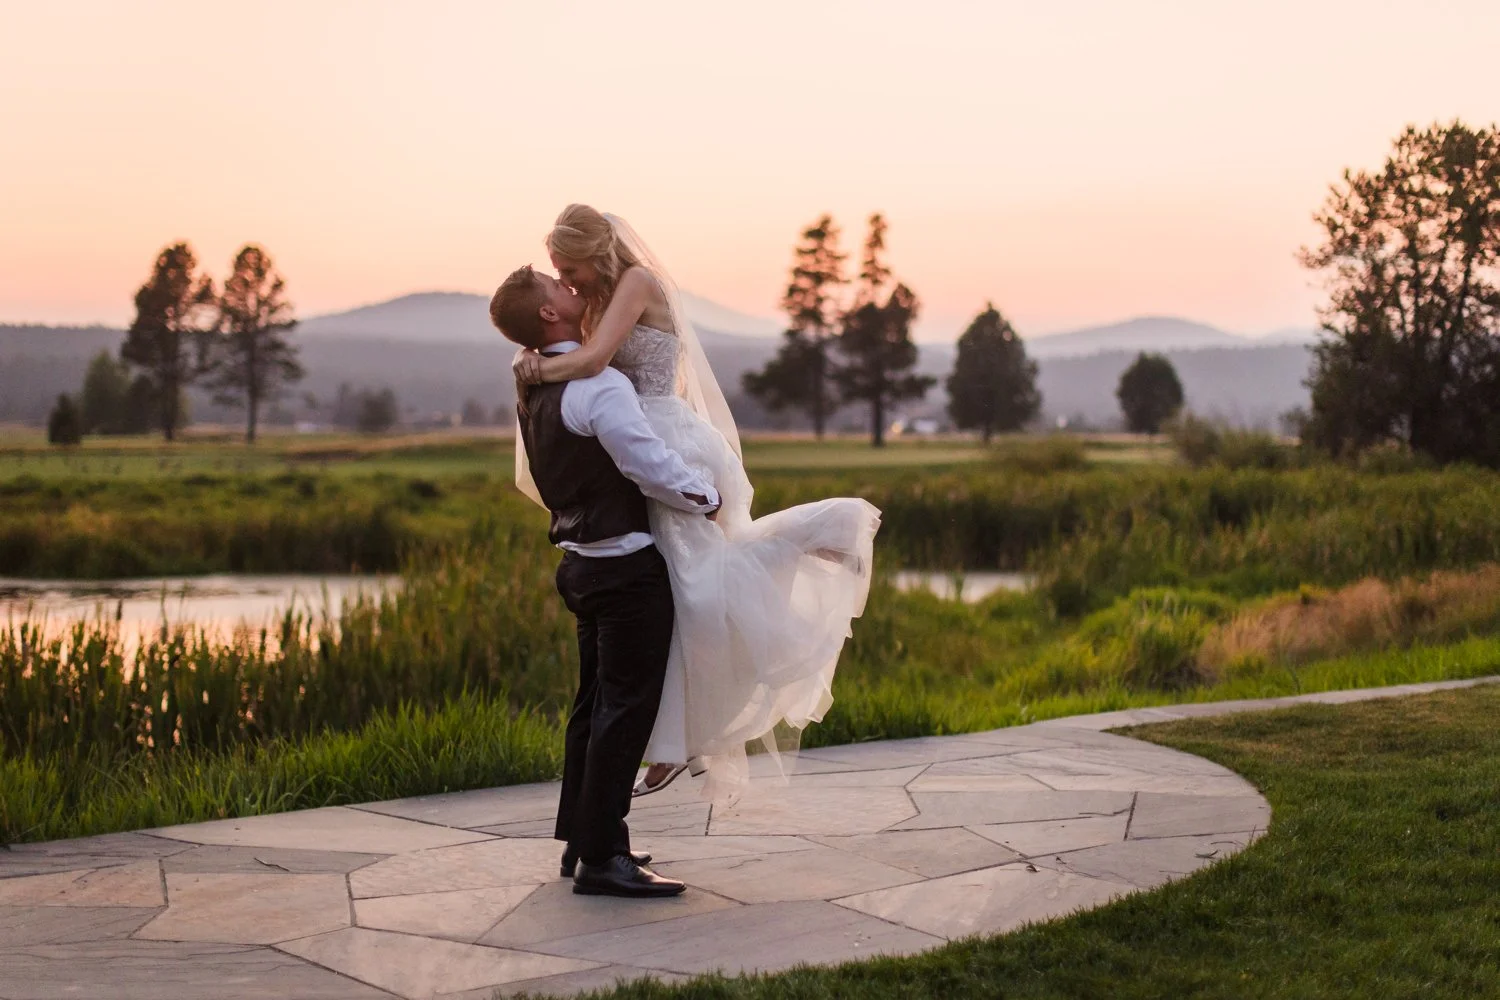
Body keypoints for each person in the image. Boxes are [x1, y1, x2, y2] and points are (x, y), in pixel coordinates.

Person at [512, 204, 880, 802]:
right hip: (641, 444)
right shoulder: (601, 296)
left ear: (592, 250)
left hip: (668, 445)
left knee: (700, 587)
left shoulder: (636, 283)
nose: (569, 279)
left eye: (568, 267)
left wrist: (532, 367)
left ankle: (820, 532)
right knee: (680, 595)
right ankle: (678, 742)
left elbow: (594, 362)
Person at [490, 264, 710, 898]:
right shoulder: (601, 387)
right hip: (625, 568)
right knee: (624, 711)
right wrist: (706, 495)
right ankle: (605, 858)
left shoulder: (529, 385)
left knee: (592, 706)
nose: (572, 289)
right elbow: (647, 463)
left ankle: (581, 842)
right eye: (558, 289)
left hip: (579, 564)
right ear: (551, 317)